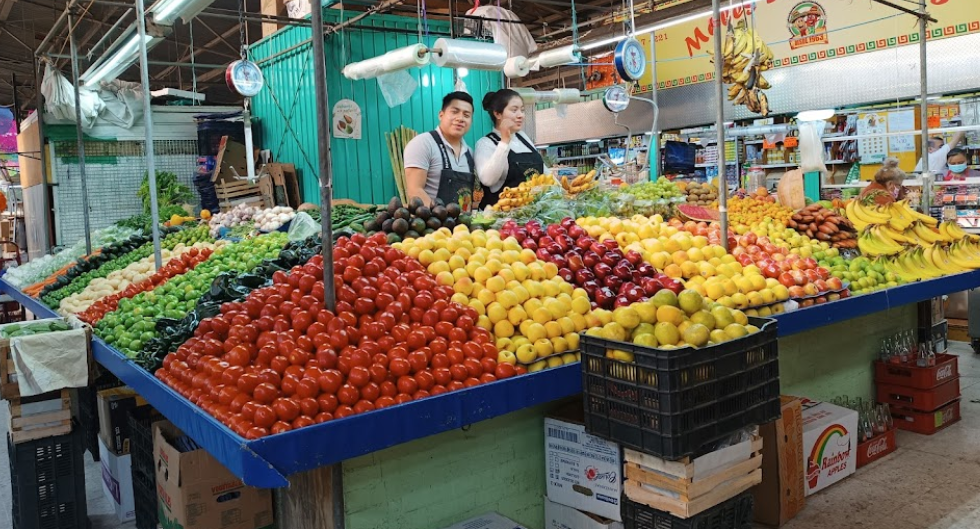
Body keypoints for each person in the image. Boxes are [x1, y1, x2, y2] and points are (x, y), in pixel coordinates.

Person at [403, 91, 478, 210]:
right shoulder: (423, 143)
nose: (460, 118)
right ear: (441, 115)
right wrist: (441, 219)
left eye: (466, 115)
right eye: (455, 112)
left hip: (464, 225)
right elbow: (415, 190)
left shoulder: (470, 153)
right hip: (433, 225)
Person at [475, 89, 546, 210]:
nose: (520, 115)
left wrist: (564, 191)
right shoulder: (485, 144)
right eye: (514, 110)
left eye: (522, 110)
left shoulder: (523, 138)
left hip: (530, 217)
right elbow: (487, 180)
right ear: (497, 113)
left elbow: (544, 171)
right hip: (499, 221)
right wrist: (504, 141)